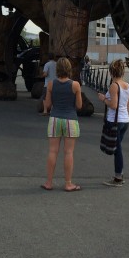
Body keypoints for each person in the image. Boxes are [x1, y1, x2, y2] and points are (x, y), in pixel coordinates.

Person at [42, 57, 82, 192]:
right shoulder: (75, 85)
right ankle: (68, 183)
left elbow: (47, 104)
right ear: (69, 69)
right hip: (70, 119)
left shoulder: (51, 84)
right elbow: (79, 105)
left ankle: (48, 182)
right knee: (68, 152)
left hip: (55, 119)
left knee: (53, 151)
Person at [97, 59, 129, 187]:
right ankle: (118, 175)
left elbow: (113, 105)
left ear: (111, 72)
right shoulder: (127, 86)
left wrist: (103, 99)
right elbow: (128, 105)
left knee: (117, 150)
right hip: (124, 120)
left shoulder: (114, 86)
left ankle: (118, 177)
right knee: (117, 147)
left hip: (114, 121)